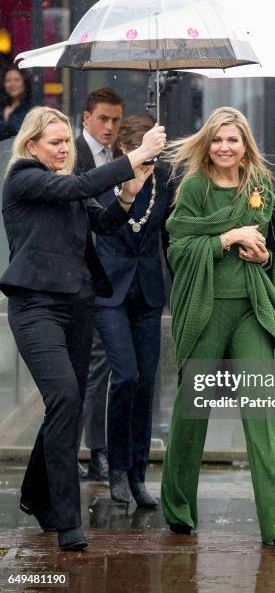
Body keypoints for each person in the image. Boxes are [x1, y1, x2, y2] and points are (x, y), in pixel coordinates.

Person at [160, 107, 275, 549]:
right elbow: (179, 245)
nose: (224, 147)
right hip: (206, 309)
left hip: (251, 310)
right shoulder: (195, 186)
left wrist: (264, 258)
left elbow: (273, 247)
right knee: (191, 411)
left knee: (261, 411)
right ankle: (178, 508)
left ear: (244, 145)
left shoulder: (260, 189)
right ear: (207, 143)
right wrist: (227, 237)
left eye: (232, 140)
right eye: (217, 139)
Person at [0, 106, 166, 551]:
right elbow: (78, 185)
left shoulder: (68, 187)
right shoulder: (23, 177)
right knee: (67, 398)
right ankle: (67, 520)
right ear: (32, 145)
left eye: (66, 142)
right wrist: (134, 157)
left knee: (64, 407)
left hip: (77, 307)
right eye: (55, 142)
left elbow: (105, 221)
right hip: (35, 309)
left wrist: (128, 195)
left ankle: (36, 495)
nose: (63, 148)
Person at [94, 114, 175, 507]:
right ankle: (117, 470)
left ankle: (139, 473)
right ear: (125, 148)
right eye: (145, 148)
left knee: (145, 383)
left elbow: (173, 236)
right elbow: (102, 228)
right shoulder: (105, 180)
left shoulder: (165, 182)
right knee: (123, 376)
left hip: (147, 291)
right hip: (109, 293)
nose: (152, 157)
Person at [75, 87, 124, 481]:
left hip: (109, 279)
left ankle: (97, 451)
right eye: (103, 119)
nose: (109, 127)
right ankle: (88, 450)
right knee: (87, 367)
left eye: (115, 120)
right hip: (79, 275)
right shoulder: (71, 154)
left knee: (97, 365)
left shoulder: (120, 154)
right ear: (86, 118)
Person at [0, 66, 33, 141]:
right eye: (8, 80)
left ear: (24, 82)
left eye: (16, 80)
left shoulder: (31, 109)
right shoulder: (2, 106)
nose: (12, 84)